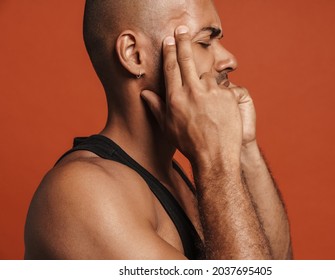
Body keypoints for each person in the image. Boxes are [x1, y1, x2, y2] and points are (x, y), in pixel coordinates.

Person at [24, 0, 292, 260]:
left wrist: (244, 145)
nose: (229, 60)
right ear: (134, 54)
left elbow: (274, 265)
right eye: (204, 42)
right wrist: (216, 163)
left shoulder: (173, 177)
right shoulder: (83, 193)